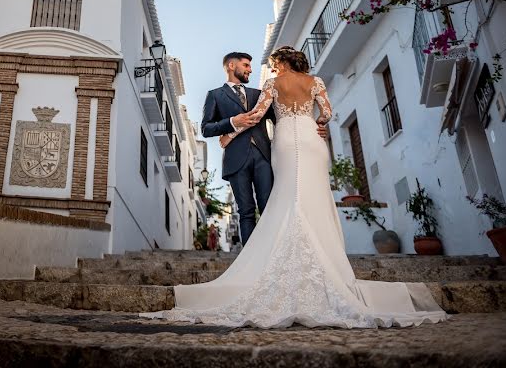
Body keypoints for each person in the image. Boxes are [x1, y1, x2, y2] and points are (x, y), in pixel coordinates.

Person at [142, 46, 448, 328]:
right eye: (248, 65)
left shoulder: (271, 86)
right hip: (308, 139)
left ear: (280, 63)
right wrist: (319, 126)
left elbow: (260, 114)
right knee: (299, 199)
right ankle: (311, 259)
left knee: (283, 199)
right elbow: (326, 113)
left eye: (271, 65)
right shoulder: (314, 82)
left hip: (283, 144)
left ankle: (267, 262)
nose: (266, 70)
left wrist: (234, 129)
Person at [199, 51, 327, 245]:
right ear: (231, 66)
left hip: (264, 156)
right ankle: (249, 258)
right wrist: (232, 121)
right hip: (236, 159)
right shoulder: (215, 95)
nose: (250, 69)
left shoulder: (259, 94)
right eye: (246, 65)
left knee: (269, 206)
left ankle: (273, 253)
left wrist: (310, 129)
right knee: (245, 211)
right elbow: (206, 129)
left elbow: (282, 120)